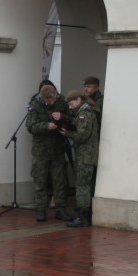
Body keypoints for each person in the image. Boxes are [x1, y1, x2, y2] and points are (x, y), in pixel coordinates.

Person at [25, 83, 71, 222]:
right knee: (40, 179)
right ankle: (41, 209)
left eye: (53, 99)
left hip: (58, 147)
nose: (52, 102)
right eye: (48, 101)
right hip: (41, 149)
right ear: (43, 98)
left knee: (59, 180)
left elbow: (72, 120)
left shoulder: (62, 102)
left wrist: (62, 117)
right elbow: (31, 126)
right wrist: (46, 126)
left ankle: (61, 209)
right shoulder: (34, 105)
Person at [61, 90, 99, 227]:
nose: (70, 107)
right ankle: (86, 216)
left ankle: (83, 218)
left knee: (82, 187)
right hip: (88, 156)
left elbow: (82, 135)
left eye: (71, 104)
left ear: (78, 100)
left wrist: (68, 133)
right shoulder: (86, 112)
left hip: (85, 156)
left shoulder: (84, 114)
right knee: (87, 186)